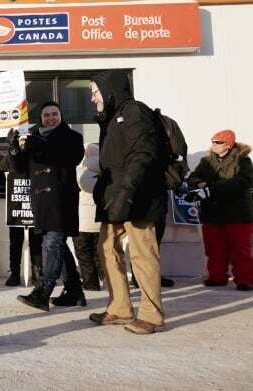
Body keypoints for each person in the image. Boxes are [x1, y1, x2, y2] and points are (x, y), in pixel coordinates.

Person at [88, 70, 167, 335]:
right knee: (107, 248)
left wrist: (128, 193)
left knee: (142, 254)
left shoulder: (134, 112)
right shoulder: (112, 118)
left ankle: (151, 315)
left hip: (139, 197)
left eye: (94, 91)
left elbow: (143, 154)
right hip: (116, 197)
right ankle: (120, 307)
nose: (92, 98)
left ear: (108, 90)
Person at [11, 101, 85, 311]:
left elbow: (68, 157)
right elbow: (19, 169)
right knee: (57, 244)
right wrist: (15, 149)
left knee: (52, 243)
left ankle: (42, 292)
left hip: (61, 198)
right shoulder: (31, 136)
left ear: (61, 116)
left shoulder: (72, 137)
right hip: (41, 199)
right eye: (46, 115)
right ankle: (74, 291)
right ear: (41, 118)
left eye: (54, 114)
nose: (50, 118)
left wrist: (38, 145)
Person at [187, 130, 253, 291]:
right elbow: (193, 178)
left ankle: (245, 280)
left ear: (228, 144)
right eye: (213, 141)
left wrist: (213, 188)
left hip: (237, 214)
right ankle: (217, 277)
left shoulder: (243, 161)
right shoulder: (206, 161)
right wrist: (201, 185)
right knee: (214, 249)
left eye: (218, 142)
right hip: (212, 213)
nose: (213, 145)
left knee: (240, 250)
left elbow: (243, 181)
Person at [0, 153, 43, 287]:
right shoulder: (12, 155)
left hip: (32, 206)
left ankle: (37, 273)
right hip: (17, 206)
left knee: (36, 241)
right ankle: (15, 273)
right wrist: (13, 153)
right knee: (16, 243)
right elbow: (3, 168)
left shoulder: (37, 154)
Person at [74, 143, 103, 291]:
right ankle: (107, 280)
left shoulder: (79, 170)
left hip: (81, 221)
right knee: (101, 254)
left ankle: (90, 284)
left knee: (84, 255)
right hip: (100, 221)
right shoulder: (105, 171)